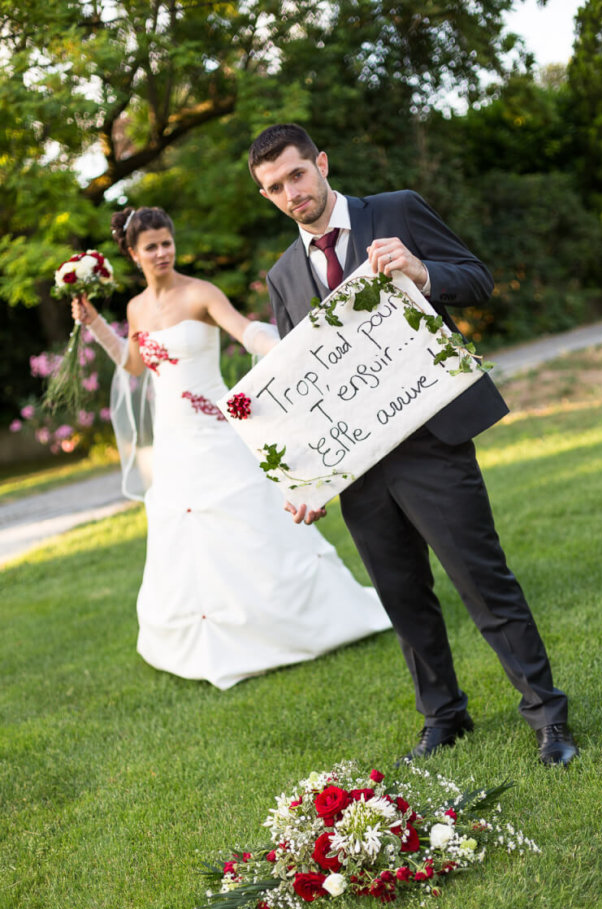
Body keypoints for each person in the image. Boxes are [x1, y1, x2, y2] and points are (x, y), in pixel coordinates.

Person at [248, 123, 578, 766]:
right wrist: (311, 481)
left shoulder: (394, 210)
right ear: (266, 196)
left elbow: (478, 279)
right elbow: (303, 387)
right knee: (402, 597)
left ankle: (548, 716)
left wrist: (423, 271)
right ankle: (444, 716)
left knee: (483, 583)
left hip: (430, 440)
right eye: (274, 187)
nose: (291, 193)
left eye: (296, 175)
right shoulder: (283, 274)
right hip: (360, 469)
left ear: (321, 162)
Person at [71, 205, 390, 689]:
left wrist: (291, 345)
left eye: (166, 242)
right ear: (133, 254)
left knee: (251, 517)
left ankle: (293, 622)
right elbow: (133, 367)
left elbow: (245, 331)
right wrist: (95, 323)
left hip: (218, 429)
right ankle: (210, 633)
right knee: (186, 527)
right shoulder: (136, 309)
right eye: (151, 246)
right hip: (173, 439)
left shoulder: (200, 292)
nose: (162, 252)